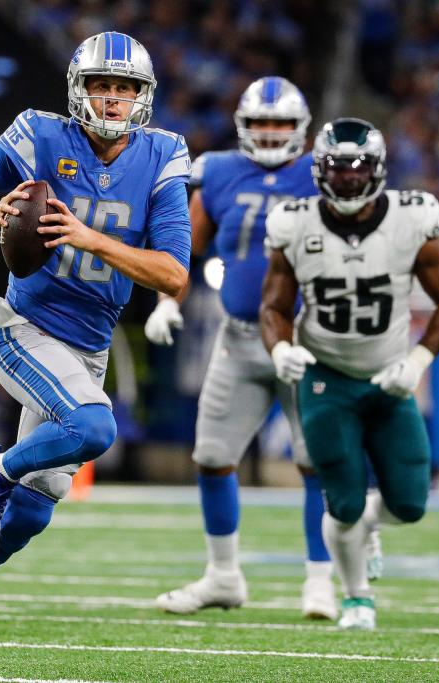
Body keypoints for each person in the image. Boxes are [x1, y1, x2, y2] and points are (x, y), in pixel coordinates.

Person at [0, 31, 191, 665]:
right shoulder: (41, 135)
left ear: (144, 95)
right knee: (96, 427)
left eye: (124, 87)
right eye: (101, 85)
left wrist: (88, 237)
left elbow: (173, 274)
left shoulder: (163, 154)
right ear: (79, 90)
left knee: (29, 516)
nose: (112, 98)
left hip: (90, 346)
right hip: (26, 329)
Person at [144, 76, 355, 620]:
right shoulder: (216, 171)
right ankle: (222, 576)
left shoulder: (323, 175)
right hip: (238, 337)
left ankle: (319, 581)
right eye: (260, 123)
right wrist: (168, 301)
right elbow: (181, 245)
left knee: (317, 461)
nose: (268, 133)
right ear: (242, 126)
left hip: (310, 338)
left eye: (280, 124)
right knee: (212, 457)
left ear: (301, 130)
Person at [260, 118, 439, 630]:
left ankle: (369, 528)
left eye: (358, 168)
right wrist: (280, 348)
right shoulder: (294, 223)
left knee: (410, 504)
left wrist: (417, 362)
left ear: (377, 170)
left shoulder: (412, 218)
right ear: (318, 171)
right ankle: (356, 597)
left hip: (389, 376)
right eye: (338, 168)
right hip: (325, 376)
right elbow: (274, 306)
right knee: (344, 501)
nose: (349, 179)